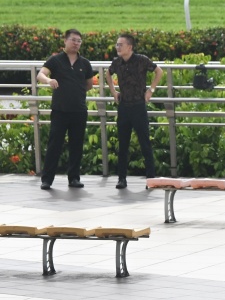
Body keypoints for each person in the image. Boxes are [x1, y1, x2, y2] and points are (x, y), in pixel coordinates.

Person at [37, 29, 96, 190]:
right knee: (54, 145)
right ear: (65, 41)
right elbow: (41, 74)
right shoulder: (55, 60)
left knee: (76, 145)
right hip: (60, 110)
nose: (76, 43)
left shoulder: (85, 63)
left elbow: (89, 84)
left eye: (79, 41)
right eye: (73, 40)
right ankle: (47, 179)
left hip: (79, 110)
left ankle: (74, 178)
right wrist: (49, 80)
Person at [106, 33, 163, 189]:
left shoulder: (141, 60)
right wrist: (113, 92)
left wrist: (151, 90)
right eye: (117, 44)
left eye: (121, 44)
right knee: (123, 144)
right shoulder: (117, 62)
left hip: (138, 105)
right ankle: (121, 179)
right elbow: (108, 74)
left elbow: (159, 71)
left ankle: (151, 179)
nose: (118, 47)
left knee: (145, 143)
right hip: (124, 106)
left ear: (130, 47)